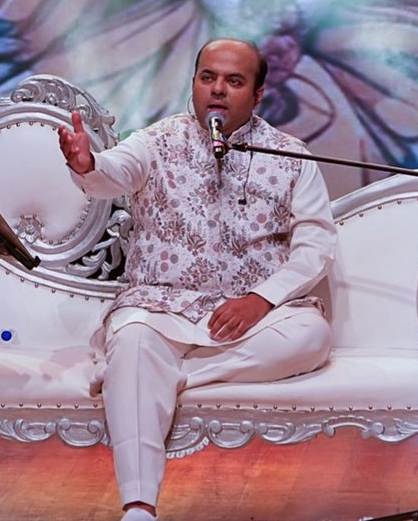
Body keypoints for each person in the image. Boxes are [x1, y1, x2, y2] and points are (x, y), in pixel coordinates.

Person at [58, 38, 337, 521]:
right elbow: (115, 170)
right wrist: (86, 163)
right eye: (208, 77)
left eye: (234, 81)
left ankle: (151, 378)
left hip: (245, 319)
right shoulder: (158, 140)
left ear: (258, 93)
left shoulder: (290, 155)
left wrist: (261, 299)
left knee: (311, 336)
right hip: (158, 309)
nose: (218, 90)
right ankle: (139, 507)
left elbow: (316, 245)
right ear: (194, 82)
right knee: (136, 337)